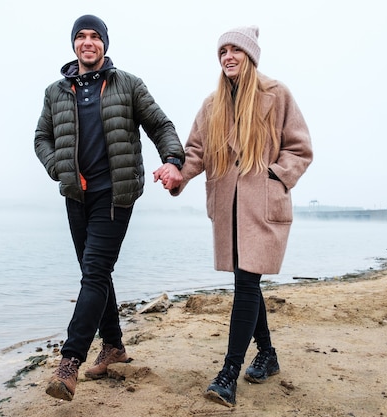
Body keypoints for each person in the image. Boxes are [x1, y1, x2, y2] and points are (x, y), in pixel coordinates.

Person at [155, 25, 312, 407]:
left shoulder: (277, 95)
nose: (228, 56)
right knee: (248, 283)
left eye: (235, 50)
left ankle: (228, 374)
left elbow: (300, 148)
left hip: (263, 206)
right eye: (222, 51)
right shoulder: (212, 105)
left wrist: (273, 177)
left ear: (251, 56)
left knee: (245, 285)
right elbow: (195, 151)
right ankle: (269, 356)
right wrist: (179, 173)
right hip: (228, 208)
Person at [34, 14, 184, 401]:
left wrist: (172, 159)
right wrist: (57, 168)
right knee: (94, 272)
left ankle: (70, 363)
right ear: (73, 45)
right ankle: (114, 346)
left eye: (95, 36)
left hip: (115, 195)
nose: (88, 42)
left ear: (104, 44)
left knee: (95, 272)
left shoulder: (128, 85)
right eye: (81, 36)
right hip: (76, 195)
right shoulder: (56, 92)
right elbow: (41, 137)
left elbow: (160, 124)